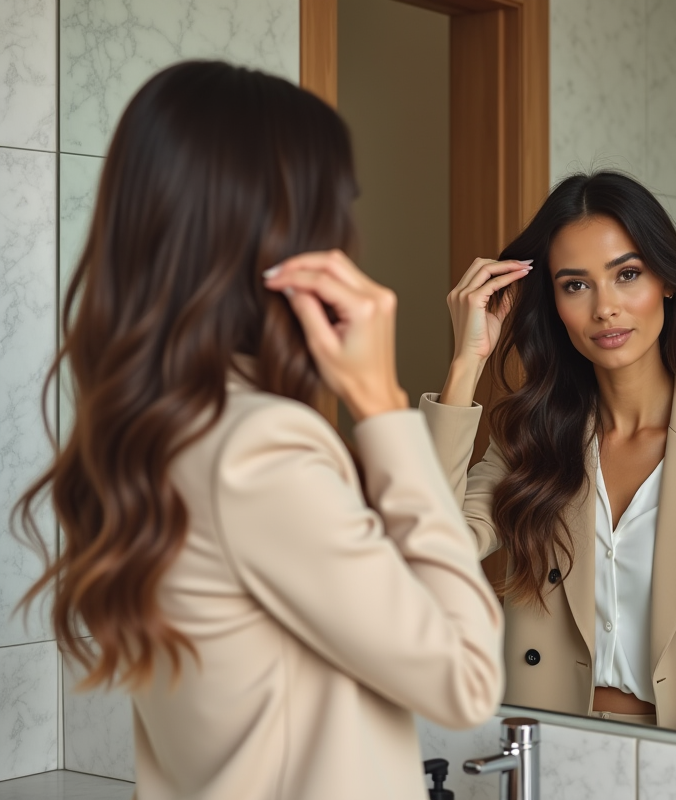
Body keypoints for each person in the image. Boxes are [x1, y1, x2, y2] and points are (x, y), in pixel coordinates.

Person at [14, 60, 503, 800]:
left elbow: (387, 583)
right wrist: (380, 405)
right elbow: (465, 677)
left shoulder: (149, 435)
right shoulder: (260, 450)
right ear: (285, 239)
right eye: (337, 211)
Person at [415, 171, 676, 743]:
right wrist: (464, 366)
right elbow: (428, 555)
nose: (605, 308)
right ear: (554, 302)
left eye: (627, 275)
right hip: (540, 746)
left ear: (666, 282)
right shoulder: (529, 438)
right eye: (576, 285)